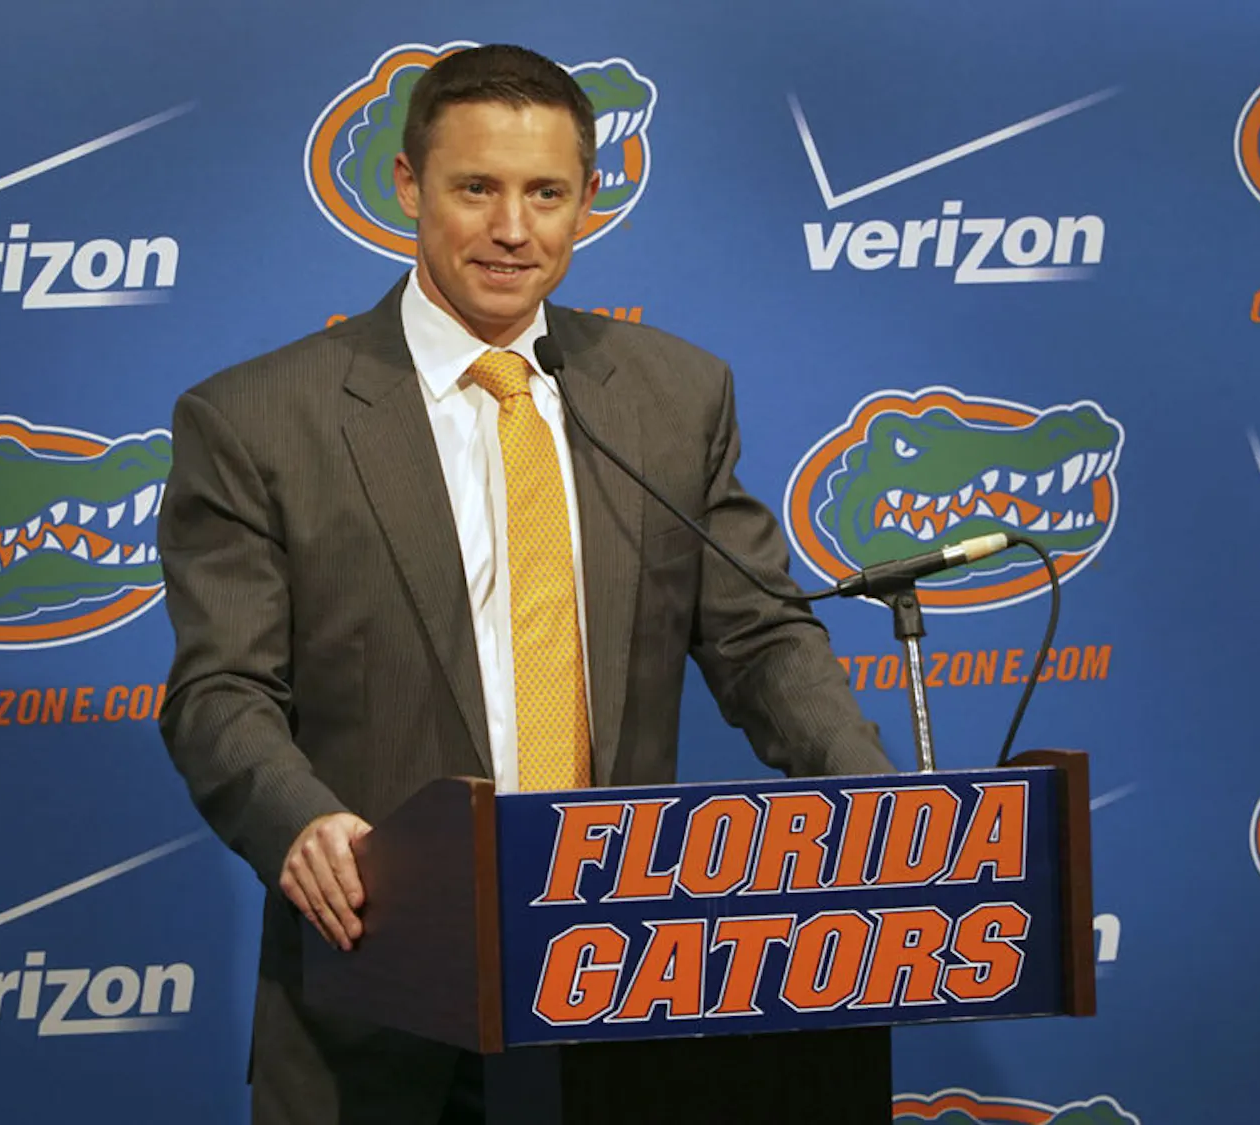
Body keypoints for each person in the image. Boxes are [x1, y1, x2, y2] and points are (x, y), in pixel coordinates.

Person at [157, 42, 892, 1125]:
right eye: (477, 189)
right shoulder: (258, 421)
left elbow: (760, 638)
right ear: (407, 188)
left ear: (589, 200)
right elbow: (219, 693)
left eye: (547, 193)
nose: (514, 229)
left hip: (624, 985)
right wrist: (302, 822)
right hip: (381, 992)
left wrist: (877, 803)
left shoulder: (674, 394)